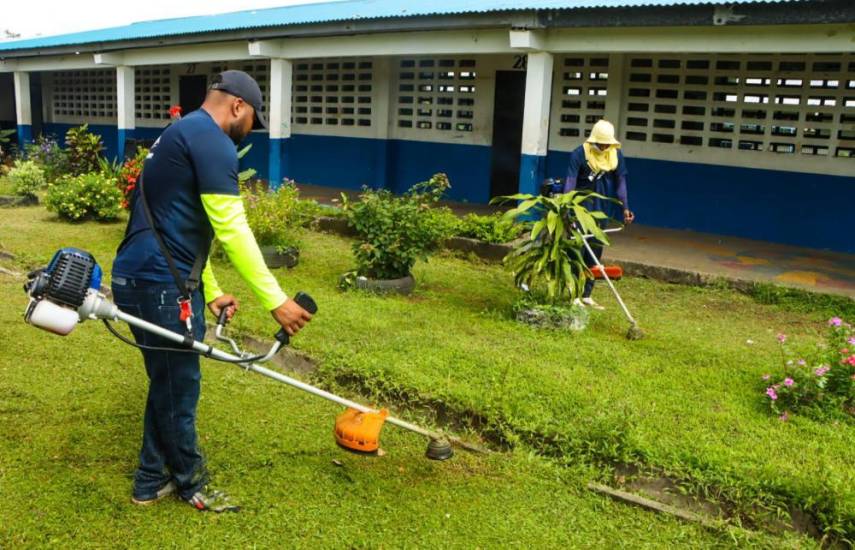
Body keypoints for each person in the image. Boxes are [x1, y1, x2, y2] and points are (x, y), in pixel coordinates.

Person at [111, 70, 313, 512]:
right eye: (251, 119)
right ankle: (191, 483)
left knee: (167, 380)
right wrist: (276, 300)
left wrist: (211, 289)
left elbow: (178, 226)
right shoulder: (213, 141)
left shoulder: (178, 134)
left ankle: (150, 479)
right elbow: (232, 228)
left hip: (143, 276)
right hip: (160, 285)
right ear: (237, 106)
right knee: (179, 389)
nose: (248, 130)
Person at [563, 119, 634, 310]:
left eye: (608, 143)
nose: (605, 146)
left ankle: (586, 294)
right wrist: (566, 209)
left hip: (602, 210)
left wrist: (625, 207)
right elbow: (570, 182)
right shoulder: (579, 154)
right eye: (602, 143)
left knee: (595, 252)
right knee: (577, 252)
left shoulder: (615, 155)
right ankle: (573, 294)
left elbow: (621, 183)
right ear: (594, 140)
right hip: (580, 209)